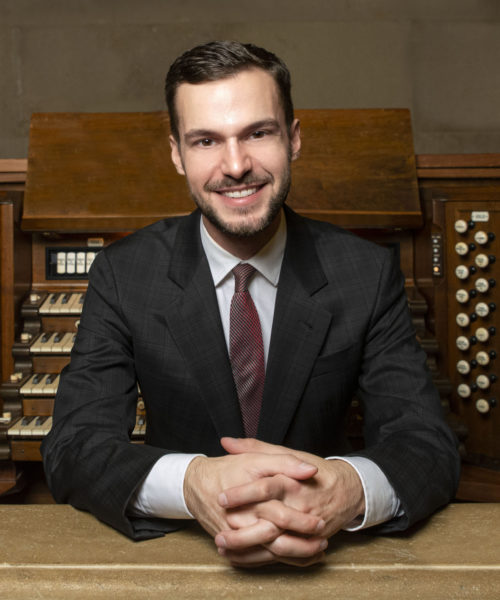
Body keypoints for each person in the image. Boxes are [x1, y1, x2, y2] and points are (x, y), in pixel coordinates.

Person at [42, 40, 460, 568]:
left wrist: (346, 489)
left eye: (258, 133)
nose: (235, 165)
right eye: (206, 141)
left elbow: (427, 444)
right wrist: (192, 482)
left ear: (294, 138)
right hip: (182, 556)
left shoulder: (365, 273)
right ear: (176, 154)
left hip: (327, 552)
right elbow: (73, 447)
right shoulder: (124, 274)